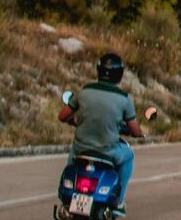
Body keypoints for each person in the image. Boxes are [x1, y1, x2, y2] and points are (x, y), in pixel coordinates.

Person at [58, 53, 145, 216]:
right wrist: (140, 133)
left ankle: (65, 200)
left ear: (99, 70)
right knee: (128, 156)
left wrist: (73, 121)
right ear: (119, 74)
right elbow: (134, 130)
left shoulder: (84, 91)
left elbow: (62, 116)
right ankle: (119, 200)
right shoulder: (124, 99)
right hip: (108, 152)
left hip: (81, 149)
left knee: (73, 159)